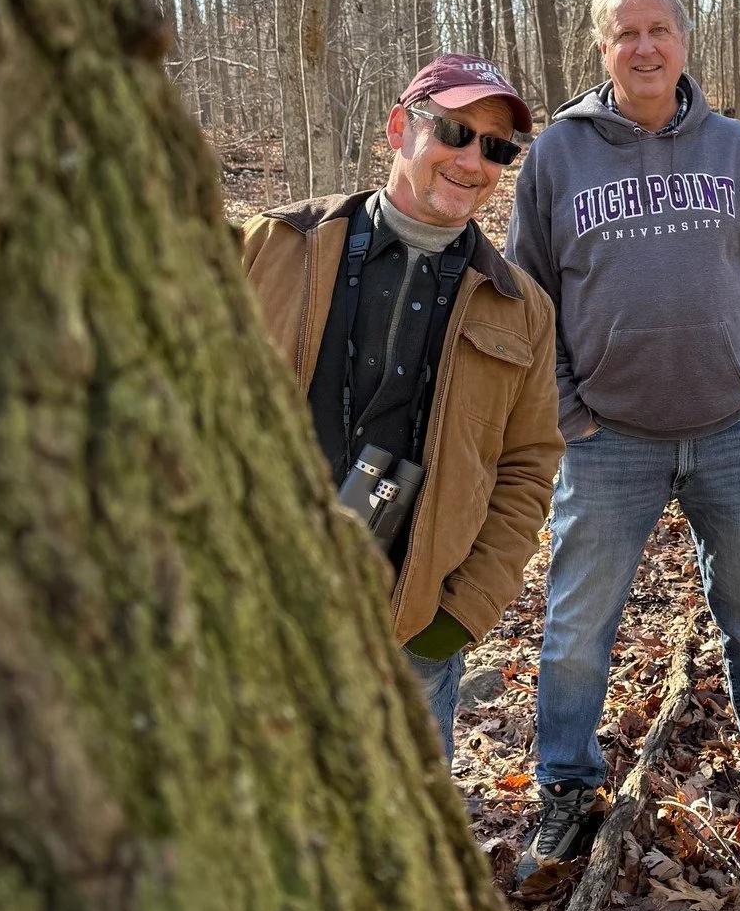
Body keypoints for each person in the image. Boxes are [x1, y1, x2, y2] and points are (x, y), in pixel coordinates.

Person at [506, 0, 740, 886]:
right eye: (626, 33)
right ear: (602, 48)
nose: (645, 47)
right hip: (607, 442)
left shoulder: (734, 148)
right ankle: (567, 789)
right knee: (577, 628)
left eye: (660, 29)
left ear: (685, 41)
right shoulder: (556, 158)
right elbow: (527, 302)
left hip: (732, 437)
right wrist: (569, 413)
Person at [241, 55, 562, 759]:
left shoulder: (522, 308)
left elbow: (529, 468)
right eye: (453, 130)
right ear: (398, 128)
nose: (473, 159)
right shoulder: (274, 245)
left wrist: (456, 616)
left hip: (409, 635)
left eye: (496, 146)